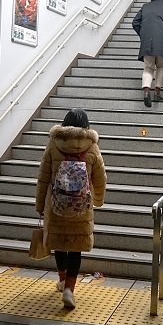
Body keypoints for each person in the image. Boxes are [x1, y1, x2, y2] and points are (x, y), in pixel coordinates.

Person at [35, 108, 107, 310]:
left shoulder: (53, 144)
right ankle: (69, 289)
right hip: (81, 208)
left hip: (56, 206)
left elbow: (43, 178)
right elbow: (100, 178)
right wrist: (98, 200)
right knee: (76, 248)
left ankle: (61, 278)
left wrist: (40, 204)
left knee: (59, 244)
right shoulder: (92, 147)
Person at [132, 0, 163, 107]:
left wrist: (143, 34)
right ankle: (157, 92)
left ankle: (147, 91)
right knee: (161, 67)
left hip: (148, 43)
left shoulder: (145, 6)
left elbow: (135, 22)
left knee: (148, 68)